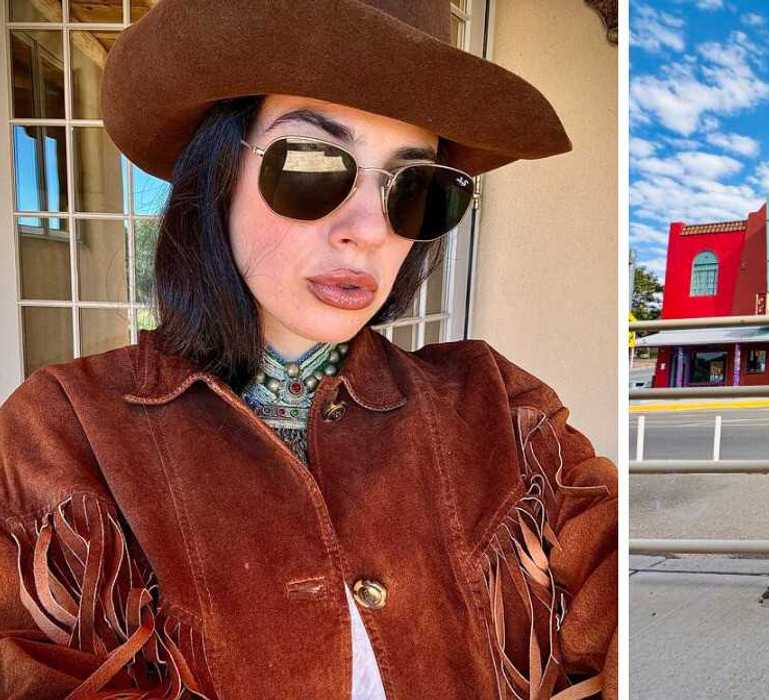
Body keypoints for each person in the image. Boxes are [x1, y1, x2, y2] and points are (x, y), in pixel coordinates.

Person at [0, 2, 617, 698]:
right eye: (313, 164)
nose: (369, 230)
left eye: (415, 187)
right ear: (218, 176)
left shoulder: (500, 410)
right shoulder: (64, 431)